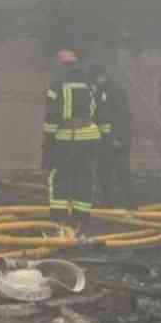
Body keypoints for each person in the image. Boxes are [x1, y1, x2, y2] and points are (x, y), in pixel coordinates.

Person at [42, 49, 100, 229]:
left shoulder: (57, 85)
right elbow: (96, 108)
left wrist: (48, 142)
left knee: (60, 177)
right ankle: (81, 217)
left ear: (60, 65)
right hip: (90, 136)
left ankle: (58, 219)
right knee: (84, 176)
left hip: (67, 137)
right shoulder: (89, 84)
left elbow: (52, 116)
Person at [87, 63, 134, 208]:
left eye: (94, 80)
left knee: (121, 171)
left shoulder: (114, 91)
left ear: (99, 77)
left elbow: (122, 116)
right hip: (105, 141)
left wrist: (118, 138)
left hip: (116, 140)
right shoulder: (101, 91)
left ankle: (131, 204)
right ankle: (107, 202)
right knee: (103, 171)